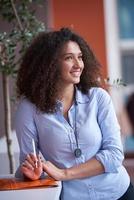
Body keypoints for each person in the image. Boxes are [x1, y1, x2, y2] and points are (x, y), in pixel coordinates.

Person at [15, 27, 133, 200]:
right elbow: (27, 164)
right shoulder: (29, 109)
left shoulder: (98, 98)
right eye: (69, 58)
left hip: (118, 193)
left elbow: (115, 155)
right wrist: (34, 173)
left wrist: (65, 173)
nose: (78, 65)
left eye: (80, 57)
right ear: (50, 64)